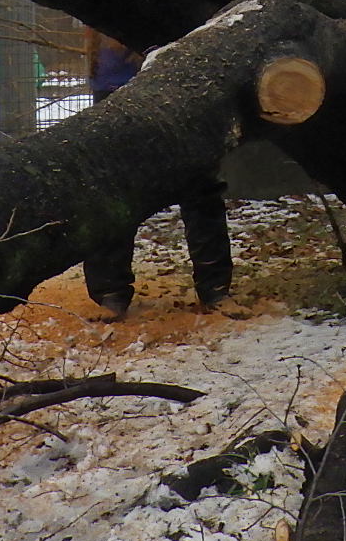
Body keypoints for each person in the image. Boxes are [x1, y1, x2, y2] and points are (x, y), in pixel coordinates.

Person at [79, 26, 235, 320]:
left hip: (178, 86)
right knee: (113, 191)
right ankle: (109, 293)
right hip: (117, 85)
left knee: (200, 187)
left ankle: (216, 289)